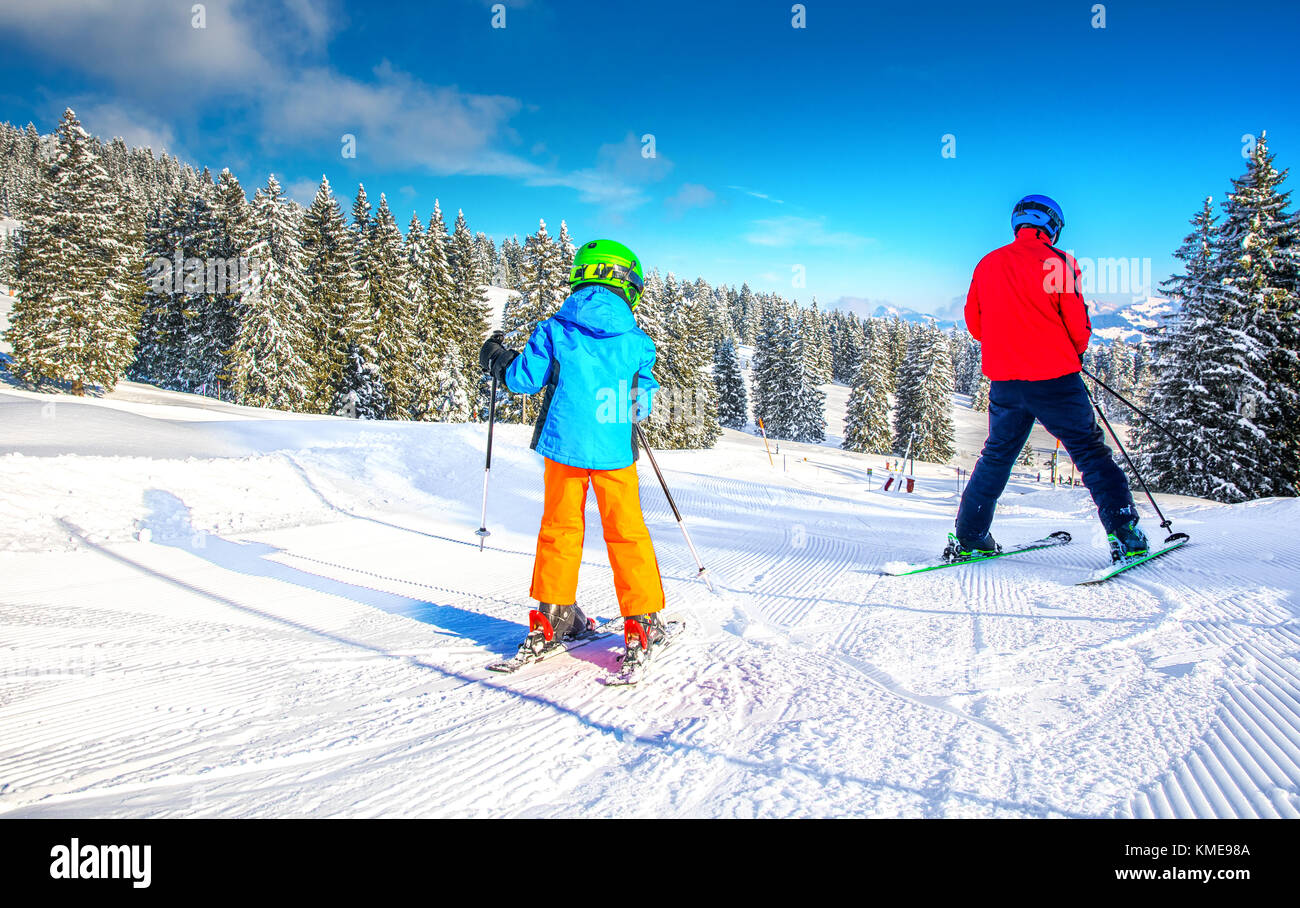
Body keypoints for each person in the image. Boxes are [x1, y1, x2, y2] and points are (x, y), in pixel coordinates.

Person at [479, 239, 670, 662]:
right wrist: (635, 395)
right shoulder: (637, 341)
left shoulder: (554, 329)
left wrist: (497, 359)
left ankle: (553, 613)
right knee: (625, 530)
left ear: (581, 275)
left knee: (560, 528)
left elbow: (523, 381)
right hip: (615, 453)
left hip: (563, 449)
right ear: (628, 285)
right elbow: (642, 403)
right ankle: (640, 619)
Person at [952, 195, 1148, 563]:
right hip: (1056, 378)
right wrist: (1066, 352)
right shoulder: (1059, 262)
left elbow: (976, 326)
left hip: (1006, 381)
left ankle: (970, 537)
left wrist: (1010, 345)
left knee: (996, 456)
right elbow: (1079, 328)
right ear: (1052, 226)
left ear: (1018, 223)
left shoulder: (988, 264)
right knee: (1090, 454)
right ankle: (1125, 534)